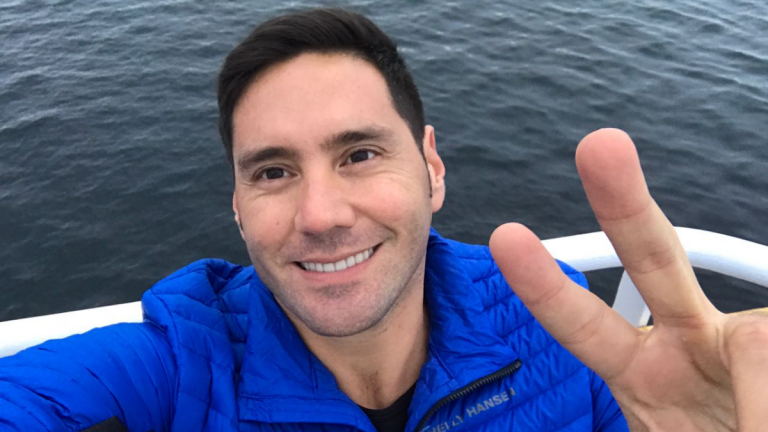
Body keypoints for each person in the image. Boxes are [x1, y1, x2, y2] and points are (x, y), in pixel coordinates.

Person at [1, 7, 766, 432]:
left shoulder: (556, 324)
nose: (321, 214)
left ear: (432, 169)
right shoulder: (176, 371)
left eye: (360, 154)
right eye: (273, 171)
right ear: (237, 205)